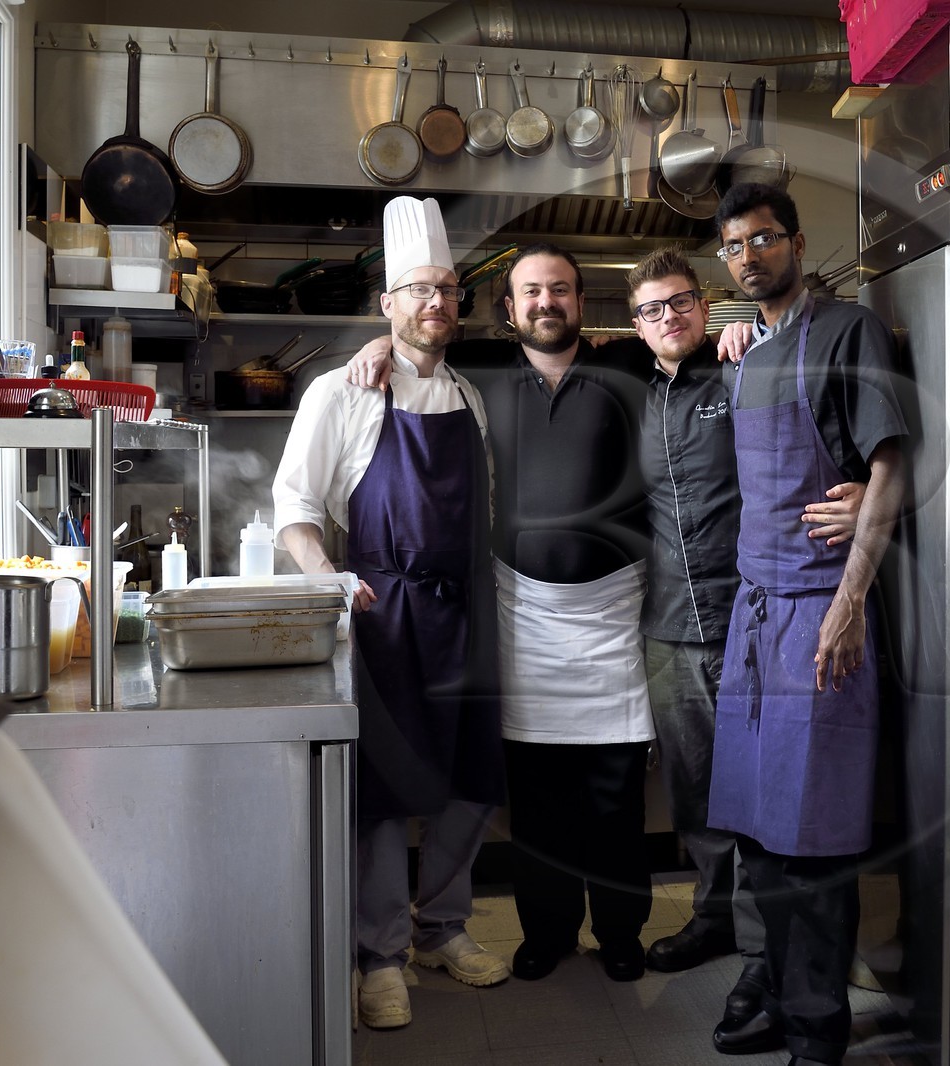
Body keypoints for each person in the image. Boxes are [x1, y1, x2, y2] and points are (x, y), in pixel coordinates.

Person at [344, 244, 656, 985]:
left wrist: (736, 335)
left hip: (611, 614)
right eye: (531, 292)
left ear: (582, 301)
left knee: (615, 795)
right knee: (539, 795)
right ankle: (546, 932)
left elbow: (691, 347)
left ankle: (619, 933)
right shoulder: (476, 372)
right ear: (508, 308)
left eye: (560, 290)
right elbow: (421, 336)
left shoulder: (630, 368)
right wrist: (379, 341)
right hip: (523, 612)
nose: (546, 302)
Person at [610, 247, 862, 1055]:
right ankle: (717, 922)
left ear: (705, 304)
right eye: (651, 310)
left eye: (681, 302)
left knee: (761, 803)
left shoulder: (746, 370)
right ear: (636, 325)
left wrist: (863, 488)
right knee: (698, 800)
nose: (668, 318)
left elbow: (816, 430)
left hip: (758, 620)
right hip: (670, 624)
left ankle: (763, 959)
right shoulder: (631, 392)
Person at [272, 197, 508, 1030]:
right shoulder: (341, 390)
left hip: (466, 610)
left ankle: (443, 926)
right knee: (382, 793)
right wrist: (328, 577)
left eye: (446, 289)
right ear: (388, 305)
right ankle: (381, 954)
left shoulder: (473, 400)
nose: (435, 303)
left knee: (469, 781)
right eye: (417, 290)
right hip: (381, 611)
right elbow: (293, 509)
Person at [706, 183, 908, 1066]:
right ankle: (784, 1006)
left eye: (763, 240)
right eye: (734, 246)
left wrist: (850, 603)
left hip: (823, 615)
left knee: (815, 844)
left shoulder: (849, 330)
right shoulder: (747, 355)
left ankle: (818, 1038)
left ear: (795, 242)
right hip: (755, 625)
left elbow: (890, 466)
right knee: (760, 839)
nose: (749, 257)